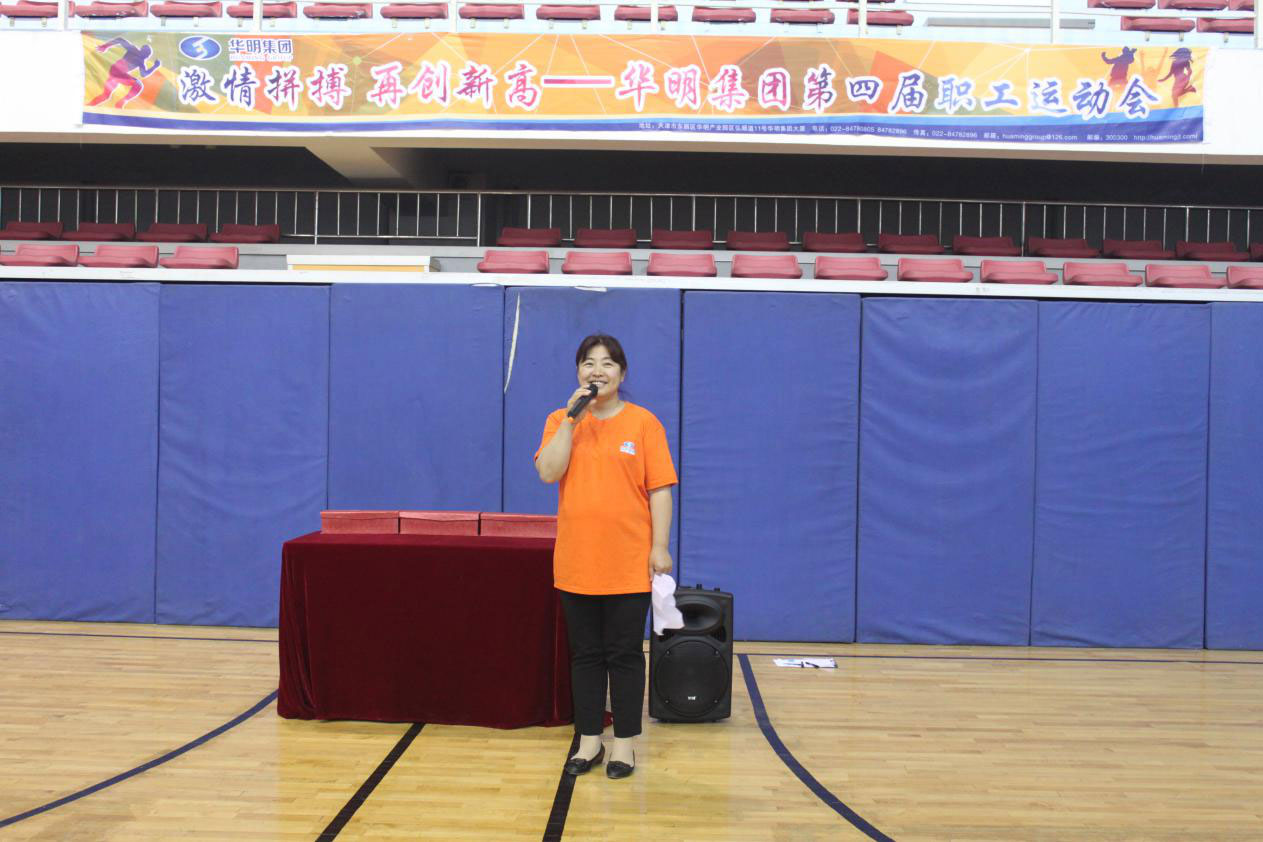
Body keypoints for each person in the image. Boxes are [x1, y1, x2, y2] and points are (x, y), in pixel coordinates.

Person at [535, 334, 677, 780]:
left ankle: (625, 745)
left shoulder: (644, 423)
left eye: (608, 363)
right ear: (578, 372)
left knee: (625, 655)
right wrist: (570, 422)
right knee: (585, 656)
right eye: (589, 363)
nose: (598, 371)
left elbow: (660, 490)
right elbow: (548, 472)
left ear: (622, 372)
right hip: (577, 561)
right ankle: (589, 741)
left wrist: (659, 546)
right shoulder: (560, 419)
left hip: (628, 562)